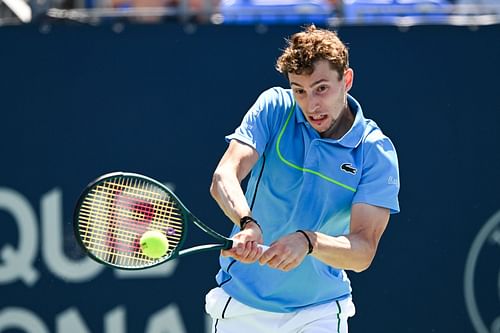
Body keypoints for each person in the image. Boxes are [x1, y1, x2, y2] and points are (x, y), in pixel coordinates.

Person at [205, 24, 400, 333]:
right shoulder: (274, 108)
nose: (311, 105)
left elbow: (363, 252)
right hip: (242, 306)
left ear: (346, 80)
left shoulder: (375, 151)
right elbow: (224, 176)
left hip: (320, 311)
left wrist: (308, 242)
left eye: (321, 88)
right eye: (300, 90)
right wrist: (247, 223)